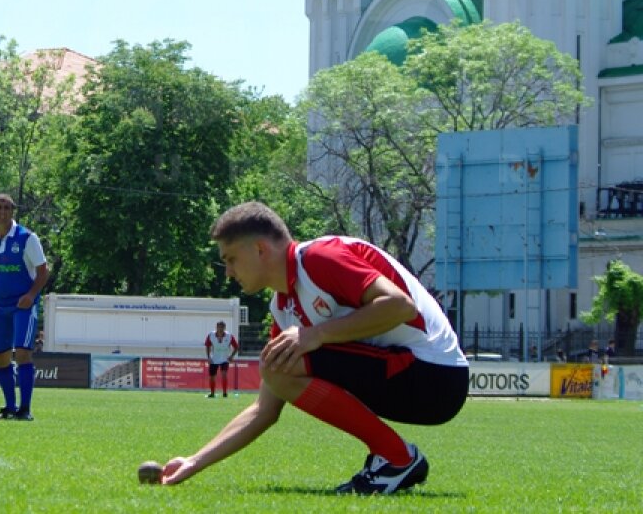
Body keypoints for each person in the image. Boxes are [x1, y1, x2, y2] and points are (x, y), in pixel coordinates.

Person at [159, 202, 468, 495]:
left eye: (230, 259)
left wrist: (316, 334)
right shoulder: (282, 306)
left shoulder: (319, 258)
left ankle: (398, 459)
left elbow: (400, 306)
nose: (228, 271)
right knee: (278, 366)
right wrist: (195, 461)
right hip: (411, 380)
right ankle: (396, 457)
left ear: (259, 249)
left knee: (279, 363)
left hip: (436, 376)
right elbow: (263, 409)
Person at [0, 194, 50, 421]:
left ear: (13, 211)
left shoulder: (26, 238)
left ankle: (25, 409)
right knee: (1, 356)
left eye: (7, 208)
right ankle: (9, 406)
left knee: (23, 353)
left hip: (23, 305)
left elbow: (43, 270)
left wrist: (31, 295)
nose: (2, 212)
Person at [204, 320, 238, 398]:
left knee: (224, 374)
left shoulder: (229, 336)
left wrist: (231, 356)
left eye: (222, 327)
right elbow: (207, 346)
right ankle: (212, 393)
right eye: (219, 327)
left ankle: (225, 393)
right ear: (216, 327)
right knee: (212, 377)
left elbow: (236, 347)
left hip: (224, 359)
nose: (220, 329)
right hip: (214, 359)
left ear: (224, 328)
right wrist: (208, 357)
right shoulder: (211, 335)